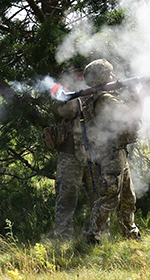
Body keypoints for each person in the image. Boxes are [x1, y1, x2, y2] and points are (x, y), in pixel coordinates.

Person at [82, 59, 150, 244]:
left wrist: (134, 96)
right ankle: (93, 236)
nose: (114, 77)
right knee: (110, 198)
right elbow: (132, 118)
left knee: (128, 198)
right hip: (111, 154)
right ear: (102, 78)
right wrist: (142, 97)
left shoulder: (103, 97)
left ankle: (131, 234)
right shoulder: (105, 99)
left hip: (116, 152)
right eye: (109, 74)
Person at [52, 66, 99, 240]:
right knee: (66, 197)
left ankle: (99, 233)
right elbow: (69, 110)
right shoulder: (60, 94)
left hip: (93, 154)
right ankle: (62, 237)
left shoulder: (93, 94)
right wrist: (73, 91)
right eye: (75, 73)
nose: (79, 76)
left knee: (98, 195)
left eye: (81, 73)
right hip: (70, 154)